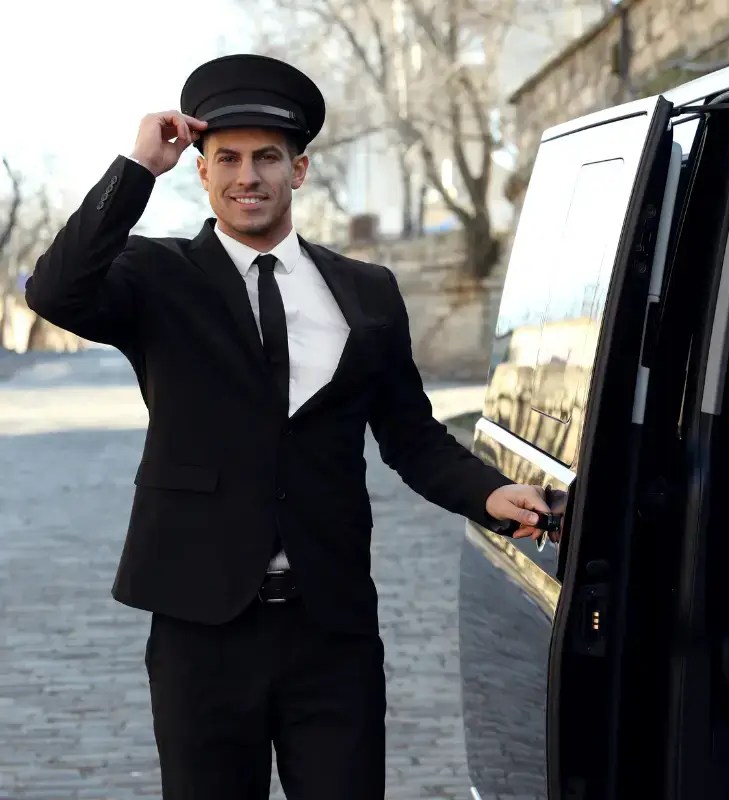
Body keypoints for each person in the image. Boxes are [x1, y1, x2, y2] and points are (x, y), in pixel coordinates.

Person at [26, 53, 557, 800]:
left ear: (298, 171)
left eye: (268, 158)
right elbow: (55, 290)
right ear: (204, 174)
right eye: (229, 158)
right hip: (200, 627)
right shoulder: (157, 278)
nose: (249, 176)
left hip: (330, 629)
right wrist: (139, 167)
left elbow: (410, 434)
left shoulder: (366, 292)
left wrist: (490, 494)